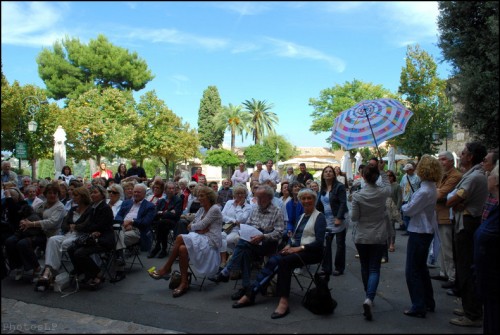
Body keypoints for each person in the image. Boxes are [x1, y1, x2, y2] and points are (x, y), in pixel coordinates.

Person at [232, 188, 326, 319]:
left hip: (311, 252)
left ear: (314, 200)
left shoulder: (320, 217)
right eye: (303, 198)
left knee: (283, 262)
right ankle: (251, 293)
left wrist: (298, 248)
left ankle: (283, 301)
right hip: (295, 250)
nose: (306, 201)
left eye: (309, 198)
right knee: (274, 260)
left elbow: (319, 243)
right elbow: (294, 238)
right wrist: (288, 246)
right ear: (300, 201)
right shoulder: (301, 217)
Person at [209, 185, 284, 302]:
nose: (257, 200)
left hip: (267, 243)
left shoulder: (276, 211)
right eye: (257, 197)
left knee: (243, 245)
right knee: (245, 252)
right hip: (251, 242)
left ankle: (226, 271)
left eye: (261, 198)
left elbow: (279, 233)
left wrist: (263, 236)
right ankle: (246, 287)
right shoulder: (255, 209)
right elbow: (247, 224)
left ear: (269, 198)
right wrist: (246, 232)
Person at [148, 186, 222, 298]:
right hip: (201, 237)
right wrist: (197, 227)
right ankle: (184, 282)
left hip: (211, 243)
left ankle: (166, 268)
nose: (199, 198)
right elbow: (194, 225)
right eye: (198, 196)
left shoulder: (214, 208)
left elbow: (197, 225)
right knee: (182, 249)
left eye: (202, 196)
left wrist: (196, 227)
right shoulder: (202, 210)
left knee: (179, 238)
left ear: (209, 197)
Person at [446, 142, 488, 327]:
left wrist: (455, 202)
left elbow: (451, 200)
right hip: (464, 222)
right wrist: (455, 202)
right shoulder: (472, 175)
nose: (460, 155)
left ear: (470, 156)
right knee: (463, 266)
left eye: (462, 153)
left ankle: (472, 314)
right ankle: (469, 307)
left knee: (465, 268)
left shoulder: (474, 177)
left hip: (467, 225)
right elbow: (454, 200)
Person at [401, 155, 443, 318]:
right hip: (425, 230)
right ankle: (427, 302)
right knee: (421, 268)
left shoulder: (424, 191)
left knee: (412, 270)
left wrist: (403, 207)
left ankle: (419, 305)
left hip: (420, 231)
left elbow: (410, 210)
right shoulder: (431, 188)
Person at [350, 161, 390, 321]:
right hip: (378, 235)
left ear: (363, 178)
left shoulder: (358, 196)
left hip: (362, 236)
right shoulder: (383, 192)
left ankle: (368, 295)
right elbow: (387, 183)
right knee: (374, 268)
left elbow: (354, 217)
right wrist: (383, 171)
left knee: (365, 266)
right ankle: (369, 298)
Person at [5, 181, 65, 281]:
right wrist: (24, 221)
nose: (52, 195)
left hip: (49, 235)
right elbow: (31, 213)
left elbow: (51, 222)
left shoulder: (60, 207)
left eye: (55, 193)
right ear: (45, 194)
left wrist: (31, 224)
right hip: (35, 231)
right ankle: (19, 266)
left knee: (23, 243)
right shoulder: (42, 204)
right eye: (49, 193)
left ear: (58, 194)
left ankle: (36, 268)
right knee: (10, 241)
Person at [35, 186, 92, 289]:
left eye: (75, 195)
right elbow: (64, 225)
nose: (73, 197)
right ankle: (48, 271)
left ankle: (49, 274)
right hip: (68, 234)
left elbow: (87, 225)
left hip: (82, 236)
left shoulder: (90, 210)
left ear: (83, 197)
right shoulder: (73, 209)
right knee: (53, 240)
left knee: (64, 244)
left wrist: (75, 226)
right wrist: (70, 227)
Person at [67, 185, 114, 290]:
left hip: (103, 239)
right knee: (71, 249)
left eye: (95, 192)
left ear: (102, 195)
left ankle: (97, 273)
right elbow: (86, 222)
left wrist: (87, 228)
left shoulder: (105, 208)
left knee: (80, 253)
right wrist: (79, 226)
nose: (92, 195)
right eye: (91, 192)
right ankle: (83, 271)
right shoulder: (92, 206)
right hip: (91, 236)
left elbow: (100, 226)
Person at [473, 162, 499, 334]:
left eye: (491, 173)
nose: (487, 175)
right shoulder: (495, 207)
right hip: (489, 283)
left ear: (496, 181)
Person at [433, 151, 462, 290]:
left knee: (448, 248)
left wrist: (437, 191)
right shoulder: (442, 175)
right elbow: (437, 191)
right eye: (439, 159)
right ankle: (444, 272)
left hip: (447, 216)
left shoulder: (455, 175)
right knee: (442, 247)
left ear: (451, 161)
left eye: (443, 159)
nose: (440, 162)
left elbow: (439, 194)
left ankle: (452, 276)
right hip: (440, 214)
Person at [316, 165, 348, 276]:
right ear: (323, 175)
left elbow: (343, 203)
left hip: (338, 219)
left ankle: (339, 268)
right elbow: (320, 205)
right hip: (327, 220)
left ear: (334, 175)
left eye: (330, 171)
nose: (328, 173)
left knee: (340, 245)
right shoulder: (323, 188)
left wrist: (339, 217)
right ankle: (326, 268)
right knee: (326, 244)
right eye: (326, 171)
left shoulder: (339, 186)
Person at [115, 183, 157, 252]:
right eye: (135, 192)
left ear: (144, 194)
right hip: (121, 227)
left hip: (137, 230)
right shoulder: (126, 202)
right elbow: (119, 215)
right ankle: (118, 257)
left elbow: (145, 222)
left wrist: (132, 222)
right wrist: (122, 223)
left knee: (116, 239)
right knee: (112, 236)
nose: (136, 194)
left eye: (139, 192)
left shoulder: (150, 206)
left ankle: (117, 257)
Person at [219, 184, 252, 267]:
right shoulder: (229, 203)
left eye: (242, 193)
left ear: (246, 194)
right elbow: (222, 216)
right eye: (237, 193)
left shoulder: (248, 207)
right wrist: (233, 221)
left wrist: (239, 207)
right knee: (219, 238)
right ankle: (227, 259)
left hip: (238, 230)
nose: (240, 195)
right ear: (234, 194)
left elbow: (242, 220)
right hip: (227, 228)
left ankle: (229, 260)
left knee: (225, 241)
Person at [148, 181, 183, 259]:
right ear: (165, 190)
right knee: (162, 224)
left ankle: (158, 247)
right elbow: (155, 213)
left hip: (173, 222)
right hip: (162, 223)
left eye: (173, 188)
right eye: (169, 188)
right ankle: (163, 249)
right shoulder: (161, 201)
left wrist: (162, 213)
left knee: (161, 223)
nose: (171, 190)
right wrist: (167, 212)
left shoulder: (178, 200)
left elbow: (176, 215)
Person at [399, 163, 421, 234]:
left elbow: (420, 188)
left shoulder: (417, 178)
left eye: (407, 170)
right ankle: (408, 229)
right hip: (406, 198)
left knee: (413, 215)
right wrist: (402, 197)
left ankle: (412, 229)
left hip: (414, 199)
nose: (406, 172)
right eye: (406, 170)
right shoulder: (404, 177)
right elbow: (402, 187)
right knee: (405, 214)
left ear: (412, 170)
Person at [384, 170, 402, 254]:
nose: (388, 177)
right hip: (384, 208)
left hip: (393, 208)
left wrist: (397, 209)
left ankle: (391, 243)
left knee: (391, 226)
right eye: (387, 176)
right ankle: (387, 242)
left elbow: (399, 198)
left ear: (393, 177)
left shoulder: (397, 186)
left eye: (390, 176)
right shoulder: (384, 186)